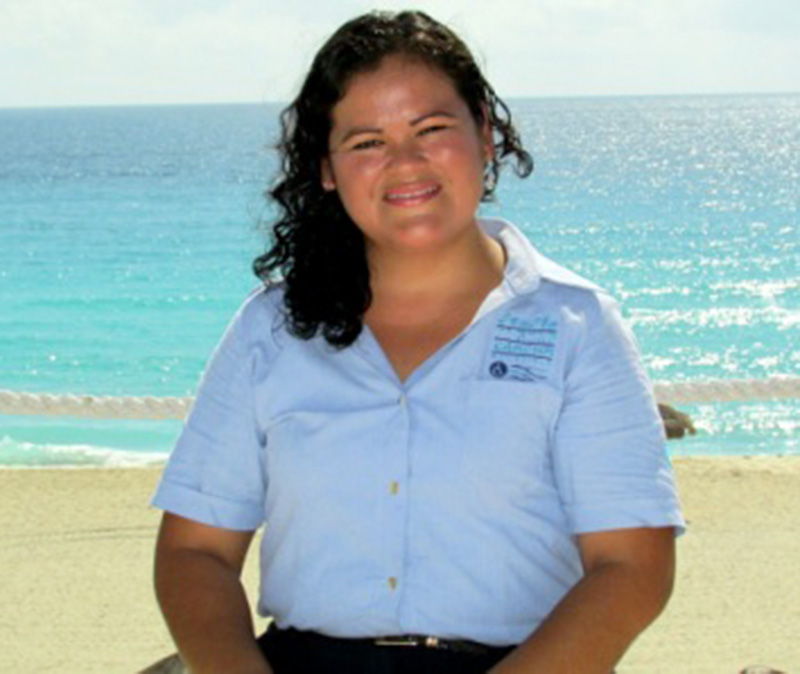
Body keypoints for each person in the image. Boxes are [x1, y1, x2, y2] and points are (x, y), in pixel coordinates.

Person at [152, 10, 685, 674]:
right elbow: (194, 552)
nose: (405, 163)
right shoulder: (272, 329)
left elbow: (631, 566)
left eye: (431, 129)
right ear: (327, 168)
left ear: (485, 133)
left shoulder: (579, 326)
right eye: (367, 141)